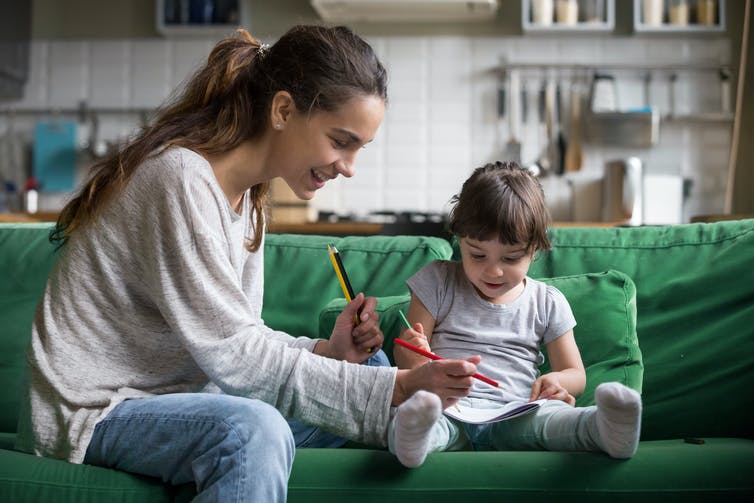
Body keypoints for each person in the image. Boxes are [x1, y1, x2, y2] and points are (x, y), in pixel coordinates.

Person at [16, 25, 483, 502]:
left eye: (360, 148)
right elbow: (234, 353)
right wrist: (396, 389)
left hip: (190, 399)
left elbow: (242, 338)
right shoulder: (179, 179)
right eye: (341, 140)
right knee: (253, 431)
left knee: (372, 369)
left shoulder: (251, 201)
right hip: (98, 410)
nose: (349, 167)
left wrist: (328, 351)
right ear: (283, 110)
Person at [389, 161, 642, 468]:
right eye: (477, 254)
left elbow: (575, 374)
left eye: (511, 258)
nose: (493, 270)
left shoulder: (547, 301)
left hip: (516, 412)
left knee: (553, 420)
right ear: (460, 239)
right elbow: (407, 357)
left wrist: (556, 380)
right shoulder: (437, 281)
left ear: (534, 249)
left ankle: (603, 429)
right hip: (446, 407)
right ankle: (413, 439)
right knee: (418, 415)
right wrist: (414, 355)